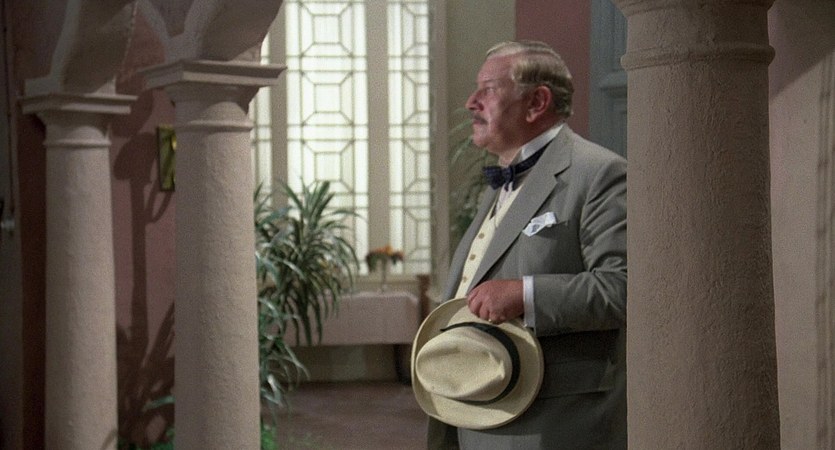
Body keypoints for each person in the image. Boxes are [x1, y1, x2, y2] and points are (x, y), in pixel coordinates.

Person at [428, 40, 627, 449]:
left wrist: (525, 294)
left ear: (537, 102)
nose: (471, 102)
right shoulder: (502, 179)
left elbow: (621, 287)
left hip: (550, 423)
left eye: (488, 89)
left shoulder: (600, 173)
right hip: (478, 407)